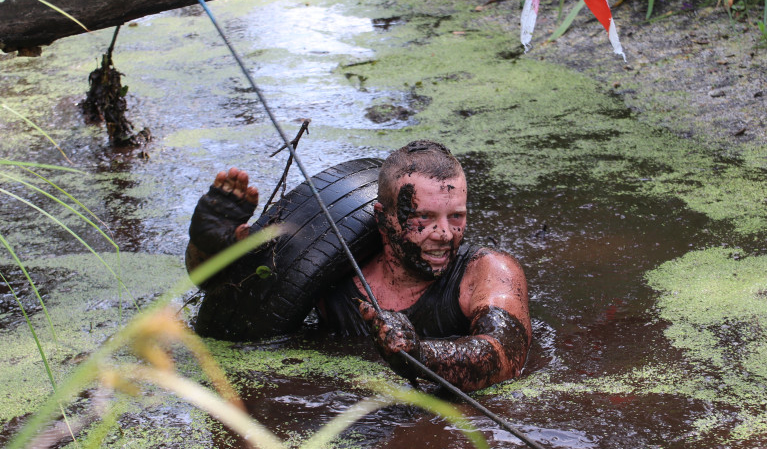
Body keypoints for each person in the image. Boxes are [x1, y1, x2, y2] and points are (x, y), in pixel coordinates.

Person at [185, 141, 531, 392]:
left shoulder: (487, 270)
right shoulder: (330, 272)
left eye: (456, 216)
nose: (444, 234)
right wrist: (206, 249)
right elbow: (231, 305)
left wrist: (421, 354)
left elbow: (506, 354)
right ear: (383, 218)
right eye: (423, 218)